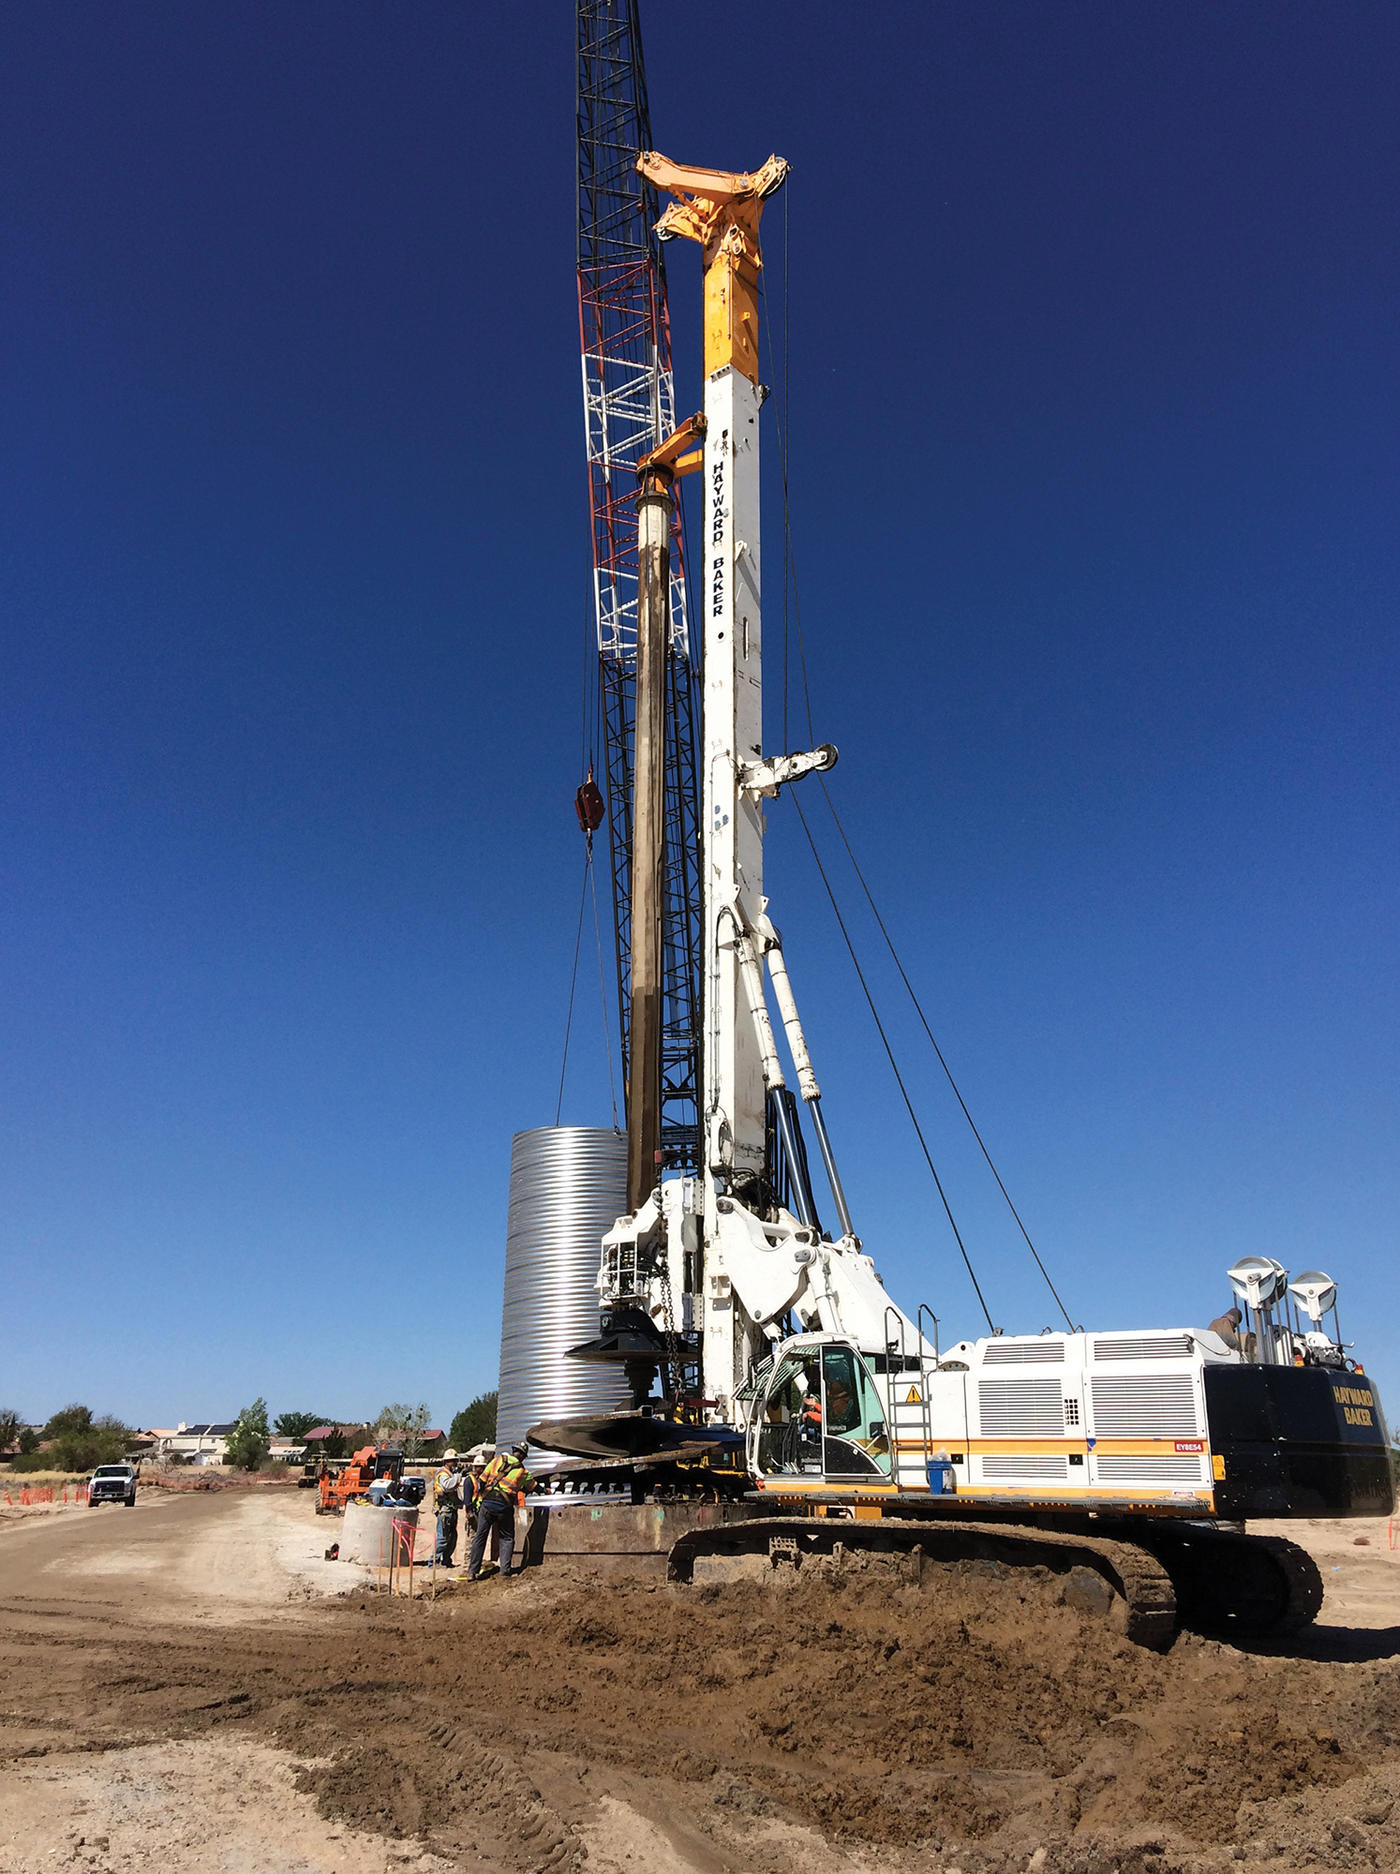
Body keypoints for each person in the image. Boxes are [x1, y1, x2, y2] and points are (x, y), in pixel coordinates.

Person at [465, 1441, 536, 1582]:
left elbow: (482, 1480)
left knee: (480, 1536)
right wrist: (545, 1490)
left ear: (513, 1450)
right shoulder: (523, 1472)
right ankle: (505, 1571)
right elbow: (532, 1487)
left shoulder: (496, 1461)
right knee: (507, 1538)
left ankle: (472, 1572)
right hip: (504, 1507)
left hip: (487, 1504)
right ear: (522, 1456)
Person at [433, 1449, 464, 1566]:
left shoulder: (450, 1474)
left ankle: (446, 1561)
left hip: (451, 1509)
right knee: (443, 1538)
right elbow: (447, 1486)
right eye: (453, 1461)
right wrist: (458, 1476)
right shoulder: (443, 1474)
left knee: (452, 1538)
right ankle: (433, 1562)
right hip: (444, 1510)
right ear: (447, 1462)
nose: (455, 1463)